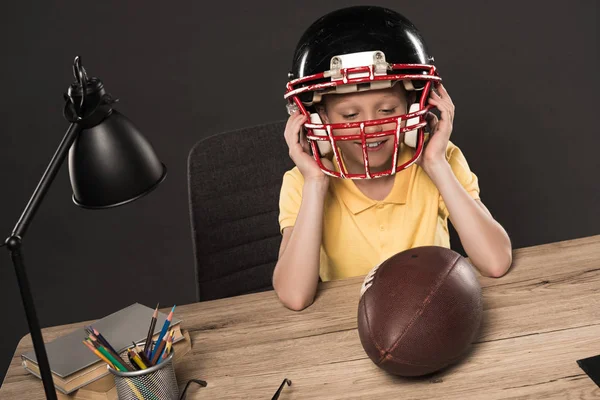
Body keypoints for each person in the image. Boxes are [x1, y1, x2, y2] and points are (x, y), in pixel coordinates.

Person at [273, 6, 512, 311]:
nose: (370, 126)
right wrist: (317, 183)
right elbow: (294, 295)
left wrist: (436, 165)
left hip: (430, 315)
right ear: (318, 120)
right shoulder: (302, 182)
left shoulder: (441, 160)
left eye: (387, 110)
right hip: (342, 327)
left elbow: (495, 261)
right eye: (349, 114)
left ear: (414, 107)